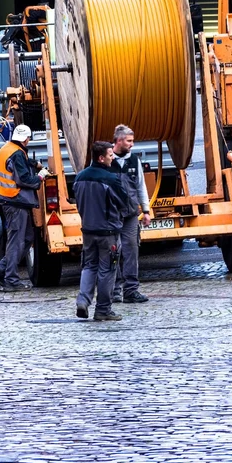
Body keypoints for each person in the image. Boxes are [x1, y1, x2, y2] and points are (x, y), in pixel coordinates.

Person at [0, 124, 50, 292]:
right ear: (25, 139)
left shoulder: (8, 148)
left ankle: (1, 269)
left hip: (11, 201)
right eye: (28, 139)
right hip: (15, 202)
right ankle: (11, 280)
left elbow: (21, 162)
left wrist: (35, 163)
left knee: (27, 237)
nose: (29, 141)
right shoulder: (16, 153)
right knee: (17, 241)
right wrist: (39, 177)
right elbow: (23, 179)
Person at [74, 141, 128, 321]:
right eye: (110, 155)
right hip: (108, 233)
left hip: (88, 230)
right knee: (107, 270)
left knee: (89, 266)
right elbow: (124, 202)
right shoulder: (110, 179)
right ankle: (103, 309)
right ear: (101, 158)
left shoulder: (79, 177)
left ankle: (83, 301)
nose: (113, 158)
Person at [109, 124, 151, 303]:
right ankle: (114, 290)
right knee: (113, 252)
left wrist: (146, 210)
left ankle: (131, 290)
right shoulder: (106, 159)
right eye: (129, 141)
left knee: (131, 251)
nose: (132, 144)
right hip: (111, 215)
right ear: (119, 141)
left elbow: (141, 186)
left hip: (130, 215)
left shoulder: (134, 161)